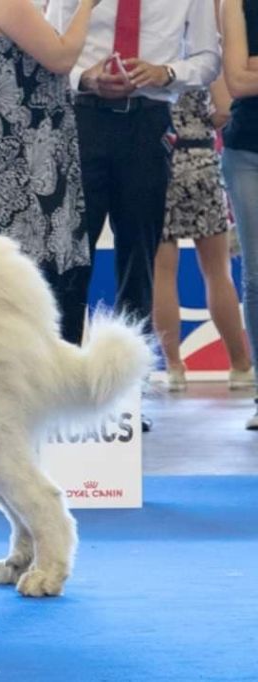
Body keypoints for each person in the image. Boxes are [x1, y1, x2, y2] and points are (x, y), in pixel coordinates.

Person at [45, 0, 221, 347]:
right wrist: (84, 76)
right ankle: (62, 371)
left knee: (139, 256)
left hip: (148, 121)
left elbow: (208, 59)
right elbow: (48, 49)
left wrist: (167, 72)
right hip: (82, 118)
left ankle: (129, 382)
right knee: (72, 254)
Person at [0, 0, 97, 344]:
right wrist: (86, 7)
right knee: (41, 278)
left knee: (19, 275)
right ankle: (48, 385)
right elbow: (61, 57)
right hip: (28, 165)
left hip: (15, 157)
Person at [152, 79, 254, 393]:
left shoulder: (155, 49)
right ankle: (239, 366)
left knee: (162, 273)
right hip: (201, 161)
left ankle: (174, 368)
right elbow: (223, 109)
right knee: (216, 271)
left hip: (159, 159)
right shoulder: (204, 51)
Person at [221, 0, 258, 429]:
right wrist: (246, 72)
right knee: (254, 277)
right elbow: (236, 79)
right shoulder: (235, 2)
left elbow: (248, 74)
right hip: (248, 150)